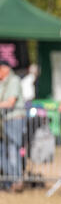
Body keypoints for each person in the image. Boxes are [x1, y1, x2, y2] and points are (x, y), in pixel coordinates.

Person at [0, 60, 25, 192]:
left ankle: (17, 181)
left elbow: (10, 102)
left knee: (13, 150)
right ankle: (8, 181)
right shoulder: (2, 83)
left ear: (5, 69)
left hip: (14, 119)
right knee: (3, 151)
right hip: (4, 120)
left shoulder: (14, 80)